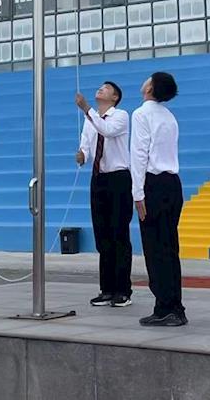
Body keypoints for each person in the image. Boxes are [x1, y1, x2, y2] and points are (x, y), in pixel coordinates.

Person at [130, 71, 186, 327]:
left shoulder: (141, 114)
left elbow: (139, 154)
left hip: (153, 184)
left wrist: (137, 193)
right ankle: (175, 305)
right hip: (172, 184)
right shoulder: (169, 116)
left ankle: (165, 306)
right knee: (170, 248)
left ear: (150, 88)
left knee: (155, 249)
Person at [75, 81, 133, 307]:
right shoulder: (89, 119)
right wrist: (82, 155)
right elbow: (86, 145)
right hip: (98, 178)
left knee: (119, 233)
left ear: (115, 97)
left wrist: (86, 108)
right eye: (99, 87)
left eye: (106, 88)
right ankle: (106, 288)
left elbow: (106, 131)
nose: (100, 89)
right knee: (102, 234)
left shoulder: (121, 116)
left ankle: (123, 290)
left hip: (118, 178)